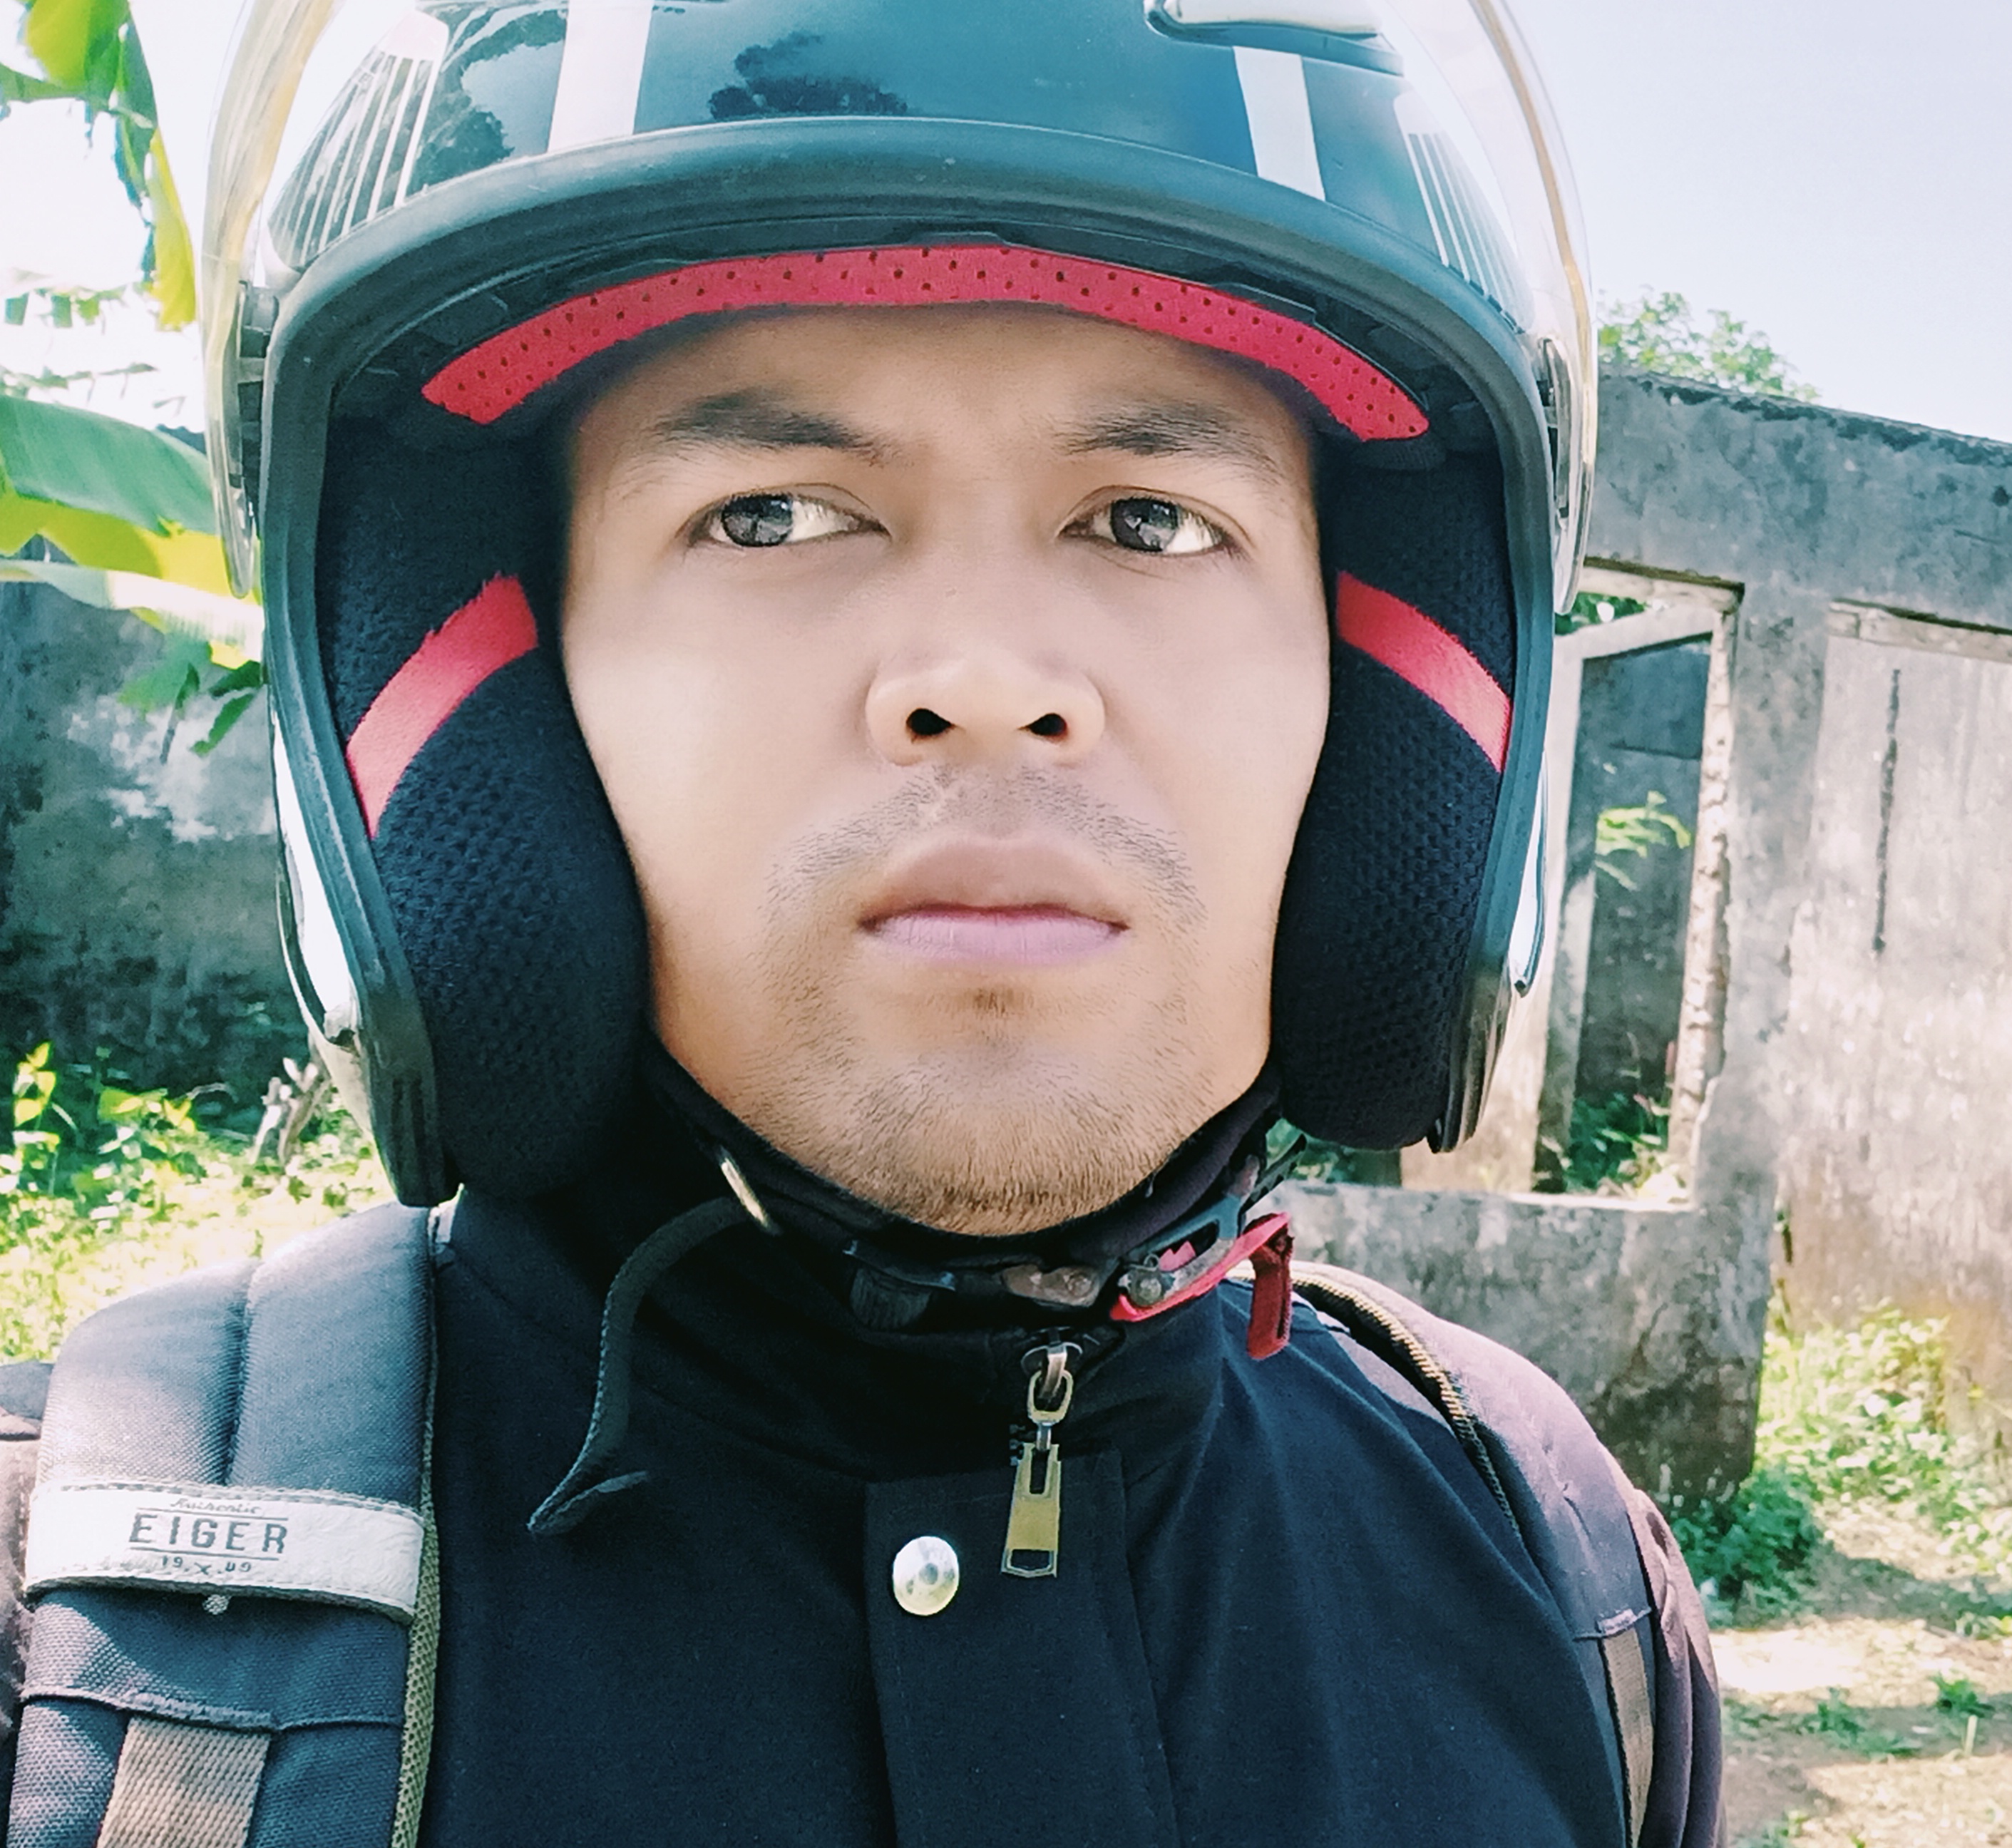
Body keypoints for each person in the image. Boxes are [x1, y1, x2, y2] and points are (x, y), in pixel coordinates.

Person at [0, 3, 1718, 1843]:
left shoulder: (1554, 1569)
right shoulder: (68, 1651)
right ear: (497, 681)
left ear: (1385, 696)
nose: (984, 678)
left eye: (1152, 520)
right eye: (770, 516)